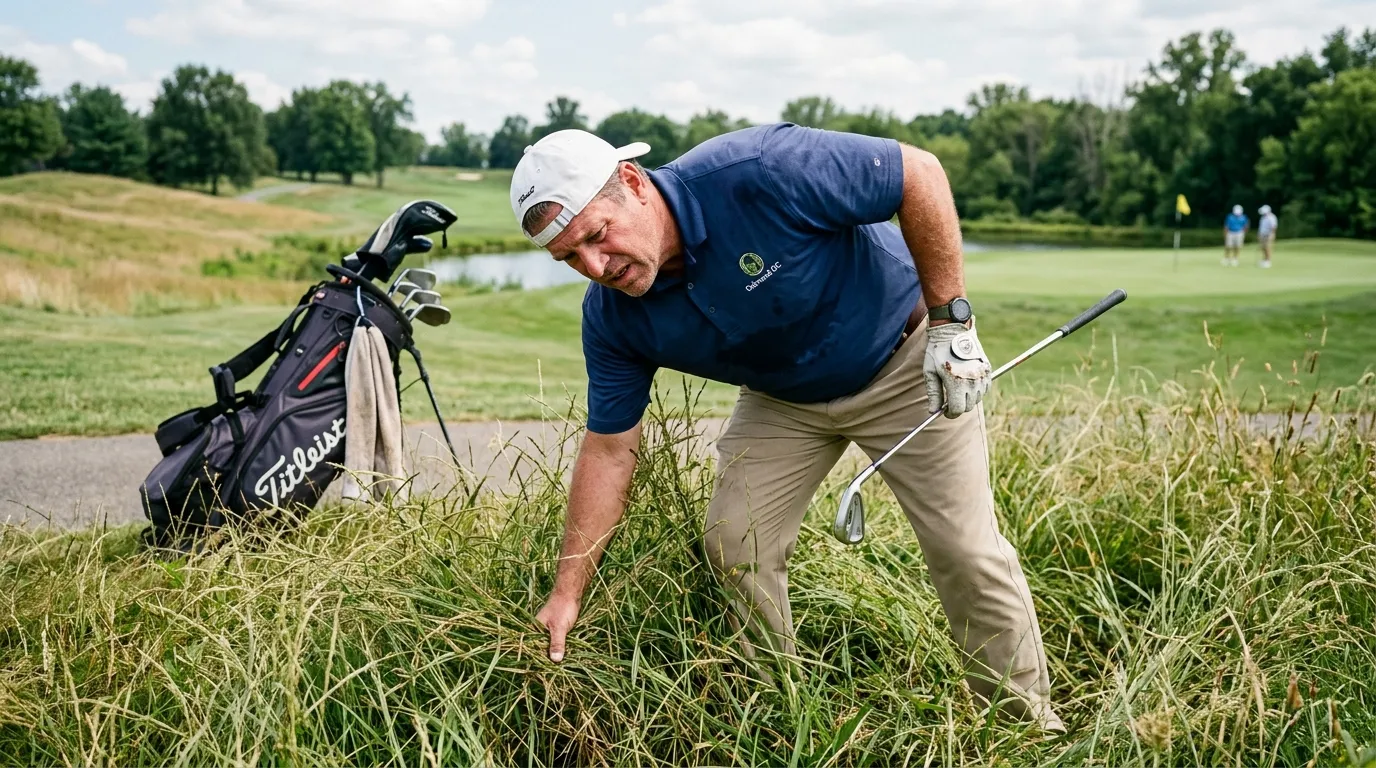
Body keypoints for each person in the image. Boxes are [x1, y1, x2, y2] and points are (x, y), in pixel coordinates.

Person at [510, 125, 1064, 733]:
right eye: (568, 259)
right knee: (734, 543)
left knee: (966, 550)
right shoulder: (613, 316)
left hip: (907, 362)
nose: (595, 266)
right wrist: (567, 592)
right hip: (784, 400)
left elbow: (918, 173)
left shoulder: (760, 169)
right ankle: (782, 715)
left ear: (635, 185)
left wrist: (951, 320)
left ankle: (1025, 727)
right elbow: (611, 449)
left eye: (596, 236)